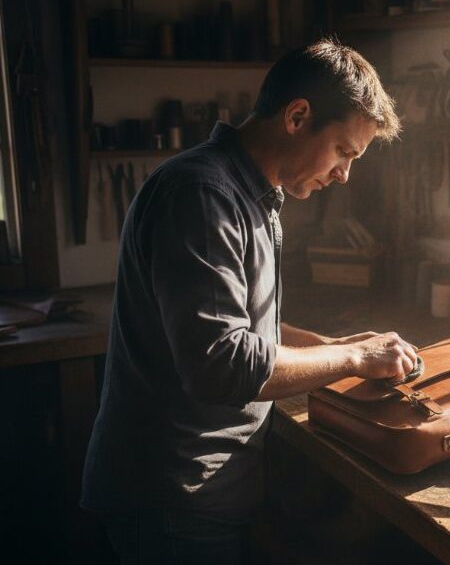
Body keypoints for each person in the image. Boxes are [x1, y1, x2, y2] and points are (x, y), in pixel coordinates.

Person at [81, 38, 415, 564]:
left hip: (203, 494)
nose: (345, 174)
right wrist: (354, 359)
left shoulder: (252, 194)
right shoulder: (202, 194)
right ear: (298, 116)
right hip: (173, 501)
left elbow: (243, 328)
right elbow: (222, 363)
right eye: (344, 151)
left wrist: (334, 344)